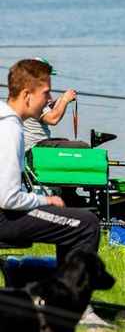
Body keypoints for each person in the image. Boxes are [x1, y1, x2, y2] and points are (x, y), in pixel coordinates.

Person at [0, 59, 111, 327]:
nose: (49, 99)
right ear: (27, 95)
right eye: (46, 94)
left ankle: (60, 298)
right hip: (4, 217)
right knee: (86, 224)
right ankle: (77, 309)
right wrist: (46, 199)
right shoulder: (11, 129)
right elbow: (8, 198)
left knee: (76, 221)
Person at [23, 58, 89, 152]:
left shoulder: (28, 92)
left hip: (37, 144)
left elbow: (46, 110)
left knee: (65, 141)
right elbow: (53, 119)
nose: (49, 79)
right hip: (34, 147)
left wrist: (61, 99)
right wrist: (65, 100)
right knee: (83, 146)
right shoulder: (34, 96)